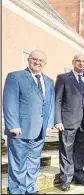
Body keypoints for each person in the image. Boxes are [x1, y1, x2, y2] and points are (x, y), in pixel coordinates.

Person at [3, 50, 55, 194]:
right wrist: (13, 124)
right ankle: (16, 190)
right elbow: (9, 102)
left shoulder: (49, 81)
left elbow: (50, 103)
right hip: (20, 129)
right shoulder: (15, 77)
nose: (37, 62)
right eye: (34, 59)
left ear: (45, 63)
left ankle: (30, 188)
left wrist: (49, 123)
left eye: (41, 60)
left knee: (33, 162)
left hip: (39, 130)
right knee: (18, 163)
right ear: (28, 59)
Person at [55, 53, 84, 191]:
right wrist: (58, 120)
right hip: (67, 121)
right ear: (73, 62)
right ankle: (66, 179)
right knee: (66, 151)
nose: (81, 63)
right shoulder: (63, 78)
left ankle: (79, 175)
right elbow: (58, 100)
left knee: (81, 151)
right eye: (78, 61)